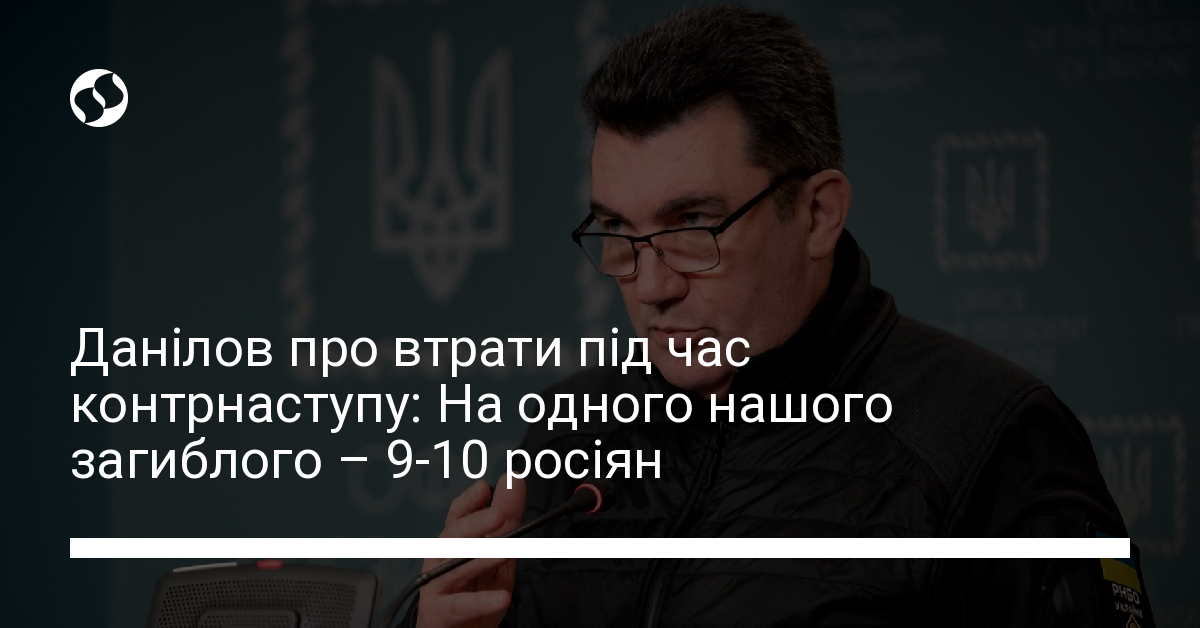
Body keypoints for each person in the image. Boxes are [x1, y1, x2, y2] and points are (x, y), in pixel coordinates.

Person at [409, 6, 1141, 627]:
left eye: (693, 226)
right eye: (619, 232)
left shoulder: (990, 438)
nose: (650, 286)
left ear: (818, 214)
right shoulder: (572, 432)